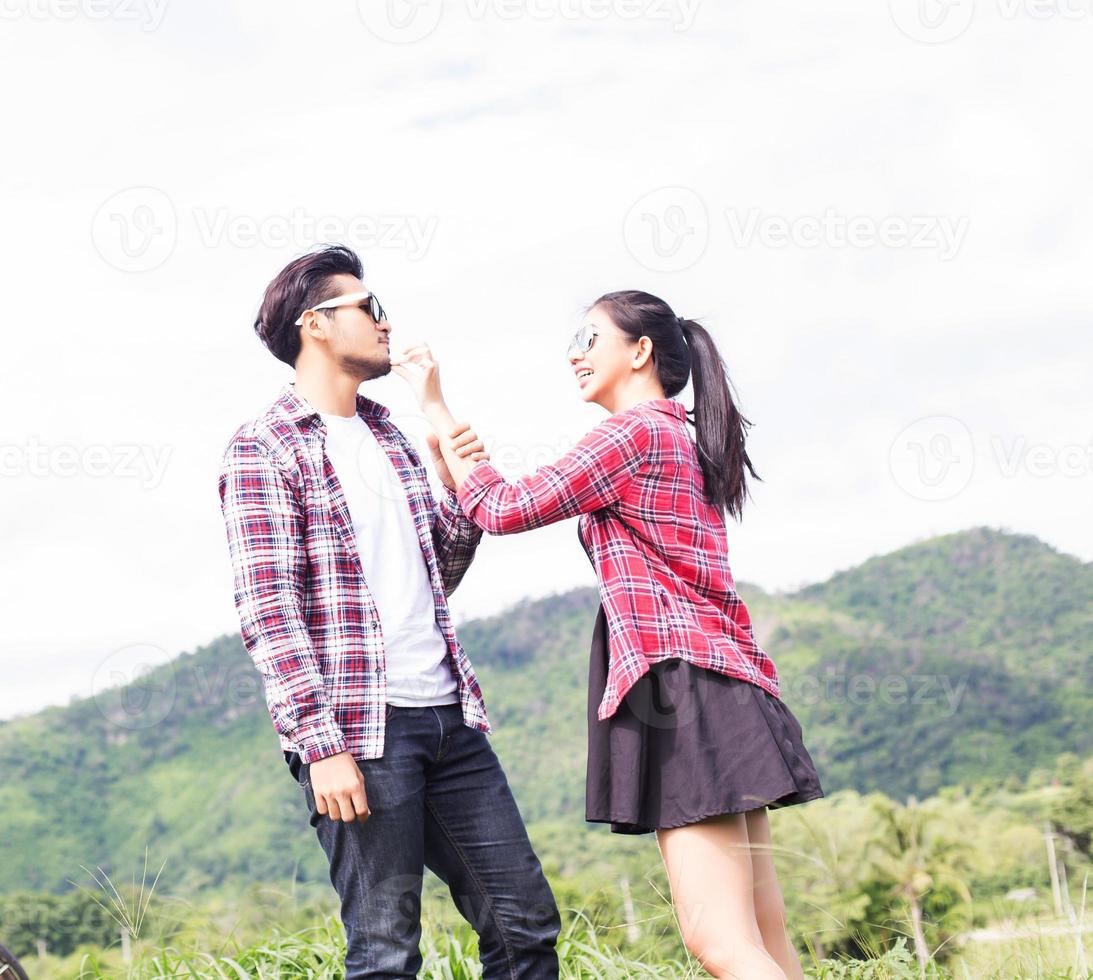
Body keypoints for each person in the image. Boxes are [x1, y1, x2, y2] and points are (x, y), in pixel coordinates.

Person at [404, 291, 825, 980]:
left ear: (639, 351)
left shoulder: (630, 435)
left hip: (682, 692)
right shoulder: (675, 435)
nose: (575, 352)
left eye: (589, 336)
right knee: (762, 937)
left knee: (718, 941)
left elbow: (505, 508)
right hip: (725, 689)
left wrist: (434, 404)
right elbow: (492, 497)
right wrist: (453, 454)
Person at [217, 244, 560, 979]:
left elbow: (436, 575)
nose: (385, 323)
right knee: (384, 951)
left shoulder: (390, 438)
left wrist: (451, 486)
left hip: (449, 718)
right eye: (369, 308)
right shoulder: (265, 447)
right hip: (360, 733)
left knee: (524, 923)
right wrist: (321, 746)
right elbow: (269, 609)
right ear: (315, 324)